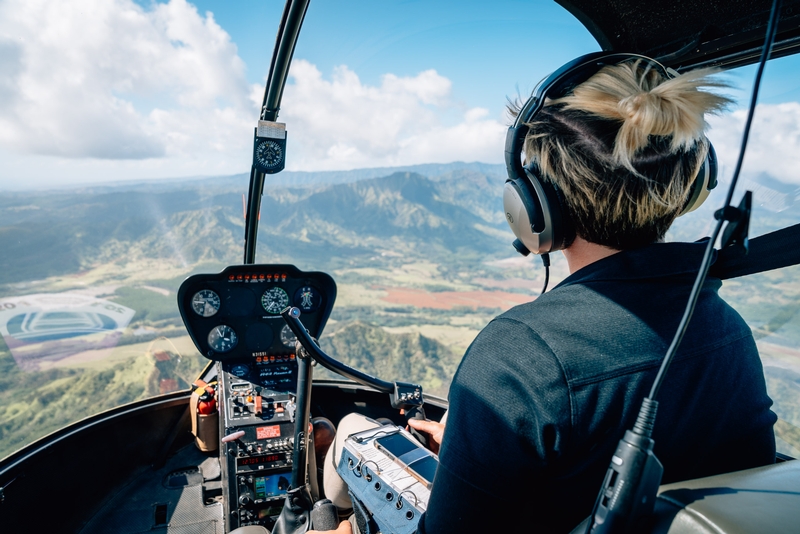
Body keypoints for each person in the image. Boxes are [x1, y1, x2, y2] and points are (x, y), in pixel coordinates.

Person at [314, 56, 777, 534]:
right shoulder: (727, 331)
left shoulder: (518, 359)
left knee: (348, 437)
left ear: (536, 205)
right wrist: (477, 453)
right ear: (689, 187)